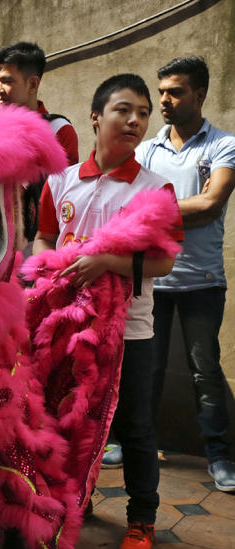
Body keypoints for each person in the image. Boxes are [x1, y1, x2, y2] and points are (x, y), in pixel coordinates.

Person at [33, 74, 182, 549]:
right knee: (66, 418)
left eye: (143, 112)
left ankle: (142, 518)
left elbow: (164, 263)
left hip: (131, 330)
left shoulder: (155, 189)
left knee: (135, 426)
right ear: (96, 116)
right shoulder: (60, 181)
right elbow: (43, 238)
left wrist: (108, 263)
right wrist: (44, 271)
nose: (136, 120)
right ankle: (76, 500)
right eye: (124, 110)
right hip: (68, 326)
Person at [134, 57, 235, 492]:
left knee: (204, 370)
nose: (164, 101)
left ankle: (219, 456)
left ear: (200, 94)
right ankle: (136, 442)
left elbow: (211, 204)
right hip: (154, 280)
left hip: (202, 281)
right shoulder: (148, 149)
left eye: (175, 92)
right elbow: (128, 202)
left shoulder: (224, 145)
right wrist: (177, 210)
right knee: (145, 370)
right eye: (161, 92)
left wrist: (154, 211)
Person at [0, 42, 78, 241]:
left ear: (33, 84)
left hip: (38, 244)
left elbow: (66, 198)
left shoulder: (58, 130)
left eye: (6, 81)